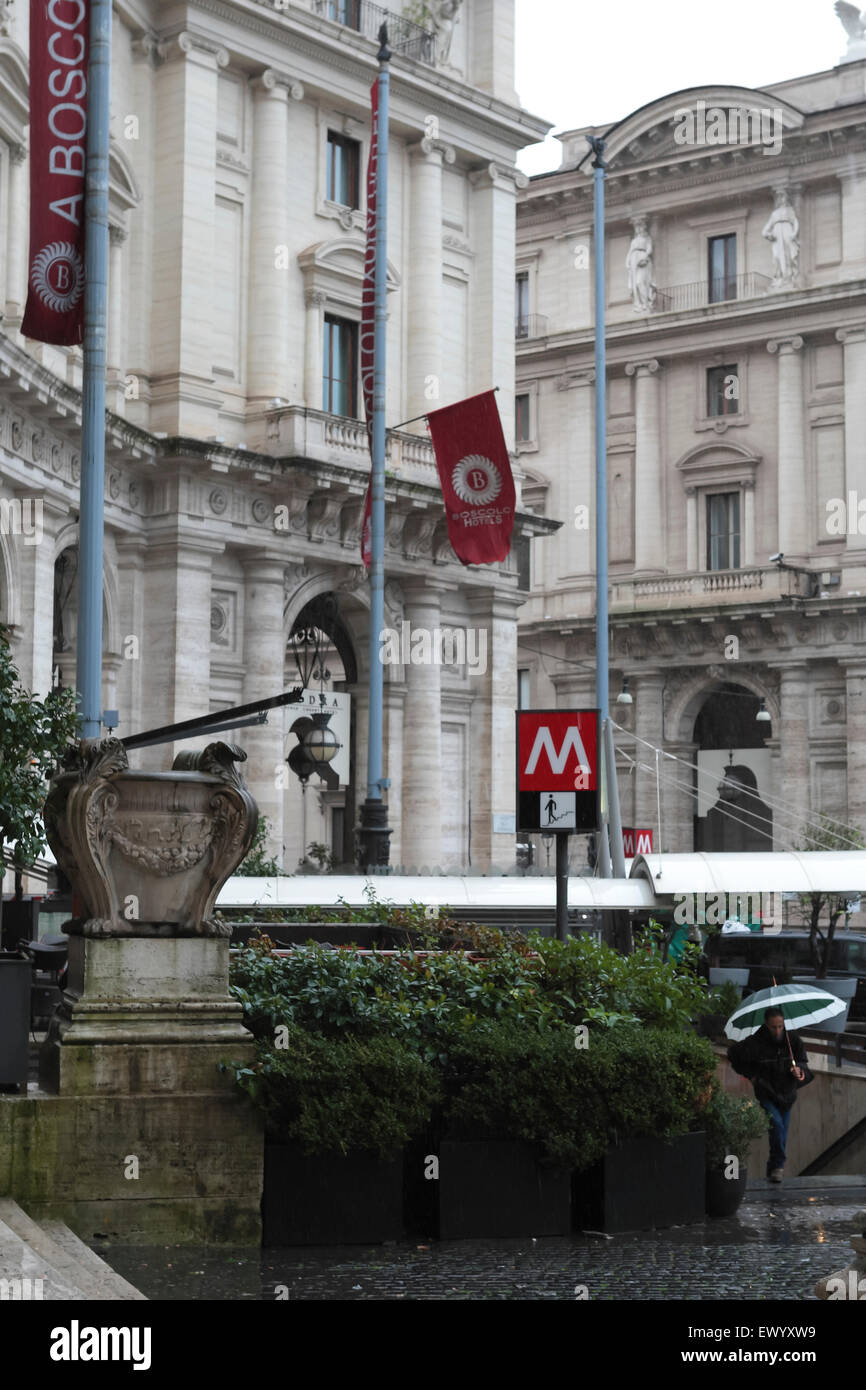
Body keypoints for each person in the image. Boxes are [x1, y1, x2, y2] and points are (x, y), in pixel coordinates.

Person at [727, 1006, 813, 1183]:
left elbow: (804, 1063)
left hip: (787, 1093)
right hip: (766, 1092)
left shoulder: (793, 1041)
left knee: (780, 1134)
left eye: (780, 1026)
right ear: (766, 1025)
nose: (777, 1030)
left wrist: (799, 1071)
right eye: (774, 1027)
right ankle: (778, 1166)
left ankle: (772, 1168)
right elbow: (733, 1055)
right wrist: (751, 1076)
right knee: (777, 1126)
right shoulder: (756, 1042)